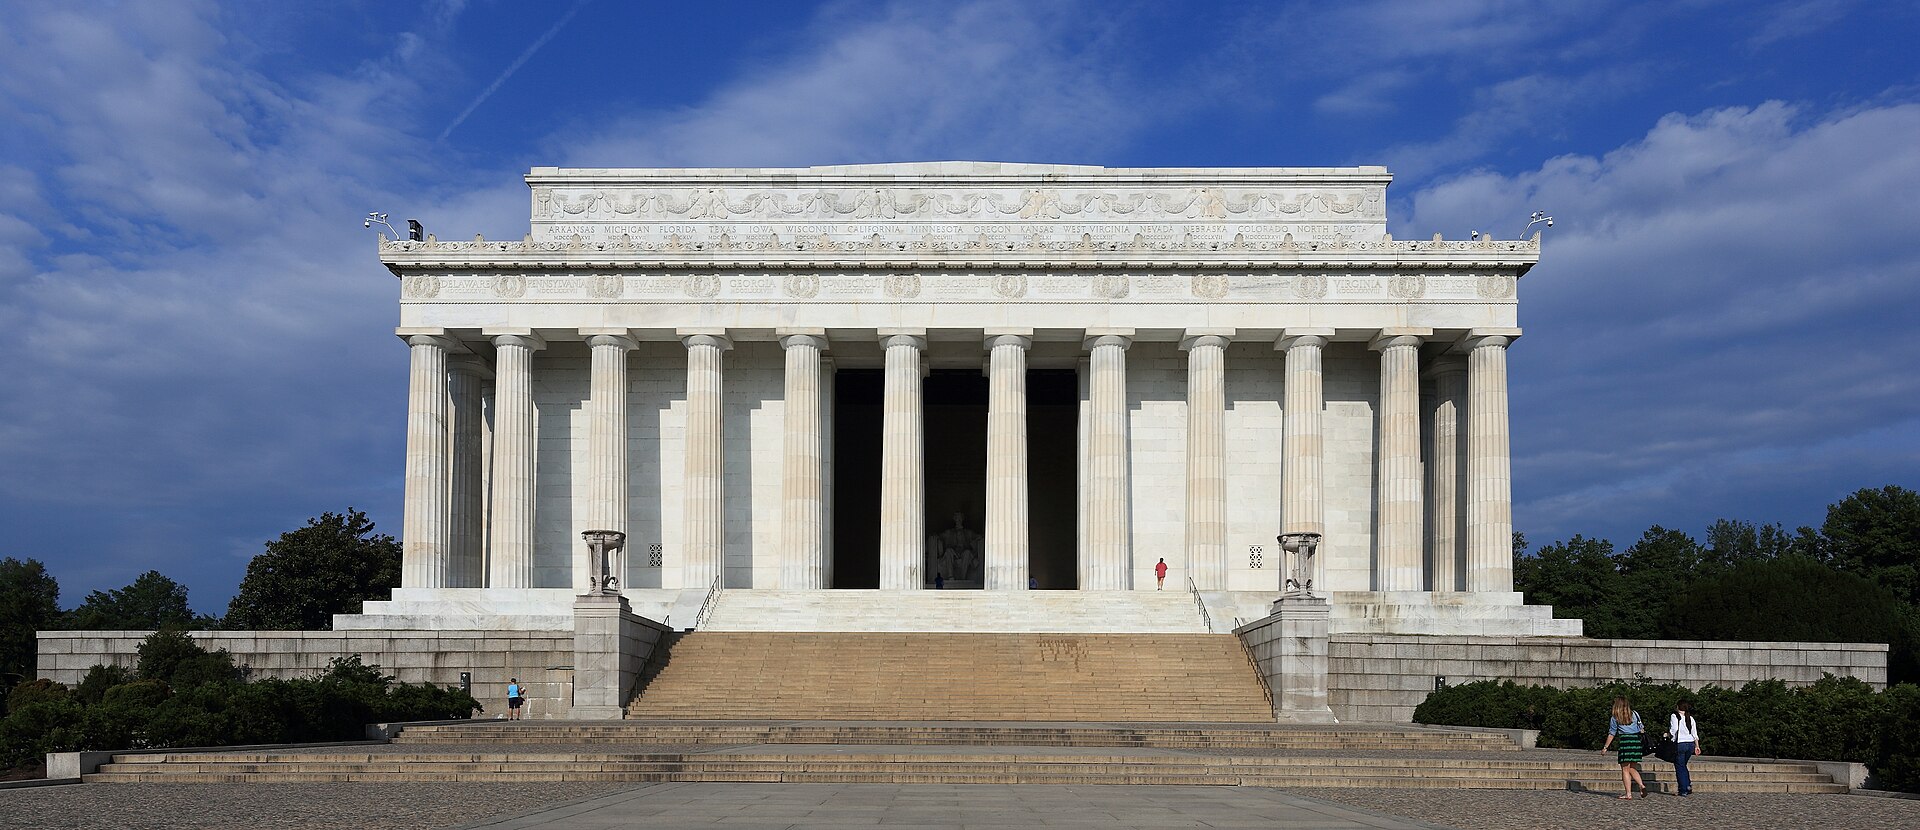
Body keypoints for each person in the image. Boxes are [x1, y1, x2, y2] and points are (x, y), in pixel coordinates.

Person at [1600, 695, 1649, 799]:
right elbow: (1641, 728)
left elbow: (1612, 733)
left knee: (1625, 769)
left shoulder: (1615, 717)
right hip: (1636, 741)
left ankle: (1628, 793)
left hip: (1625, 742)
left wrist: (1605, 747)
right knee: (1632, 768)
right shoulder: (1635, 714)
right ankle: (1641, 785)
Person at [1670, 700, 1703, 796]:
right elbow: (1694, 733)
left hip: (1680, 743)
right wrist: (1697, 746)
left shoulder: (1674, 716)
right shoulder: (1690, 718)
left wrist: (1670, 736)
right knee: (1683, 765)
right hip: (1690, 744)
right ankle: (1688, 785)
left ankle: (1683, 789)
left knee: (1679, 766)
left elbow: (1674, 729)